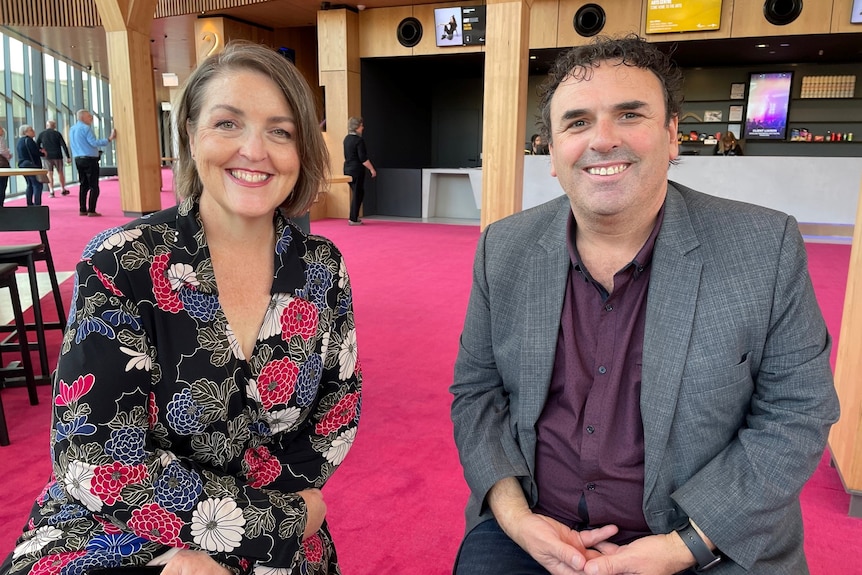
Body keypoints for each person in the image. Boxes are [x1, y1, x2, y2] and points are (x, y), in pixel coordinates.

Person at [450, 34, 839, 575]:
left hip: (704, 542)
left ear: (673, 135)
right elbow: (476, 394)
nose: (602, 140)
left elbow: (798, 413)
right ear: (551, 153)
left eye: (629, 114)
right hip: (536, 528)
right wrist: (515, 518)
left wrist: (685, 546)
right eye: (577, 122)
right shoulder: (505, 248)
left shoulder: (763, 248)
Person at [1, 41, 362, 575]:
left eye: (280, 131)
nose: (256, 150)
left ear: (302, 150)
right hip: (123, 529)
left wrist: (235, 543)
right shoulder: (120, 262)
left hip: (273, 529)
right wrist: (268, 524)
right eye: (228, 124)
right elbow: (94, 457)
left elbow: (338, 410)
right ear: (191, 135)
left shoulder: (321, 267)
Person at [69, 108, 116, 216]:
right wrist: (109, 139)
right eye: (89, 116)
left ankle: (82, 209)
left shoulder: (72, 129)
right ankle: (91, 210)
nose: (91, 117)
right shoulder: (86, 128)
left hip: (78, 159)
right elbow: (93, 143)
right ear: (82, 117)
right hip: (90, 159)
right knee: (94, 185)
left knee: (83, 184)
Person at [342, 116, 376, 225]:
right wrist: (372, 169)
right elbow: (363, 158)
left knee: (358, 193)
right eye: (361, 126)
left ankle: (354, 217)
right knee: (358, 193)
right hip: (357, 170)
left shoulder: (346, 139)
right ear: (356, 127)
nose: (363, 128)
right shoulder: (359, 140)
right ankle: (353, 218)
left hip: (347, 169)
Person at [36, 119, 72, 197]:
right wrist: (68, 156)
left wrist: (42, 151)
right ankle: (62, 189)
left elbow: (37, 145)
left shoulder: (42, 134)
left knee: (49, 173)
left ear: (47, 126)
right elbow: (63, 145)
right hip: (57, 156)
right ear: (54, 126)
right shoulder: (57, 134)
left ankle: (51, 191)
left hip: (47, 156)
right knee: (60, 172)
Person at [15, 124, 44, 206]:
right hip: (31, 165)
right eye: (31, 130)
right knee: (37, 184)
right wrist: (43, 153)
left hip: (22, 164)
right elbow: (35, 152)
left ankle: (29, 203)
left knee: (29, 184)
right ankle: (37, 205)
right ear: (26, 132)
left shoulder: (20, 141)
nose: (33, 131)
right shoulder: (29, 140)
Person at [0, 126, 11, 206]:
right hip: (2, 166)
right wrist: (8, 155)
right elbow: (3, 151)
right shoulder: (0, 139)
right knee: (2, 187)